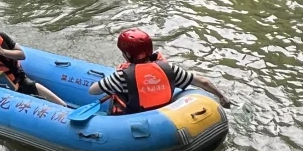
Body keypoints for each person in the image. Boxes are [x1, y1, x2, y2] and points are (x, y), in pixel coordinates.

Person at [89, 29, 232, 114]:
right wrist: (222, 97)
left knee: (118, 96)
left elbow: (93, 91)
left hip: (135, 119)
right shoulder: (170, 69)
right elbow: (203, 82)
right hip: (168, 115)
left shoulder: (121, 76)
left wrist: (113, 85)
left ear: (127, 54)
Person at [0, 14, 67, 105]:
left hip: (17, 78)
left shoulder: (0, 36)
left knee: (30, 85)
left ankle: (64, 106)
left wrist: (3, 51)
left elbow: (22, 55)